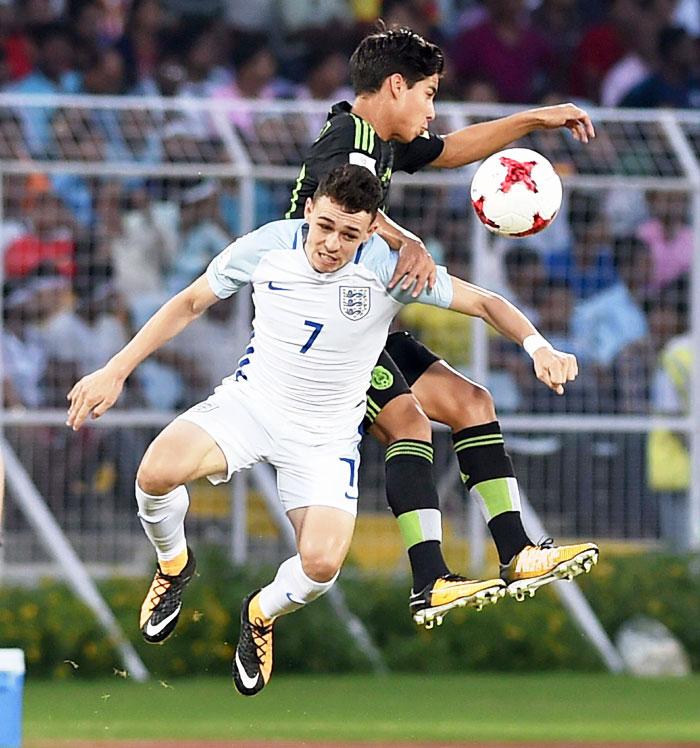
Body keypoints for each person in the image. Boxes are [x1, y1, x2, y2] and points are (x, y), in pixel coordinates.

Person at [66, 165, 595, 696]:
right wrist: (115, 369)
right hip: (252, 406)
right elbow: (189, 303)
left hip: (325, 439)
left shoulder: (390, 268)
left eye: (349, 234)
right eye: (324, 227)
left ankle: (258, 613)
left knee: (320, 568)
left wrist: (539, 347)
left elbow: (484, 302)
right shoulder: (268, 246)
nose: (332, 244)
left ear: (369, 230)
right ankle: (174, 564)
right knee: (155, 474)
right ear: (309, 211)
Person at [286, 24, 597, 627]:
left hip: (363, 322)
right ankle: (429, 580)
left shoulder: (379, 144)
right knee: (408, 422)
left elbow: (454, 149)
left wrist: (537, 120)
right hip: (320, 328)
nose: (431, 110)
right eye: (428, 94)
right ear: (396, 86)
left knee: (471, 402)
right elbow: (324, 212)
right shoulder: (347, 141)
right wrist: (405, 238)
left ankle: (517, 553)